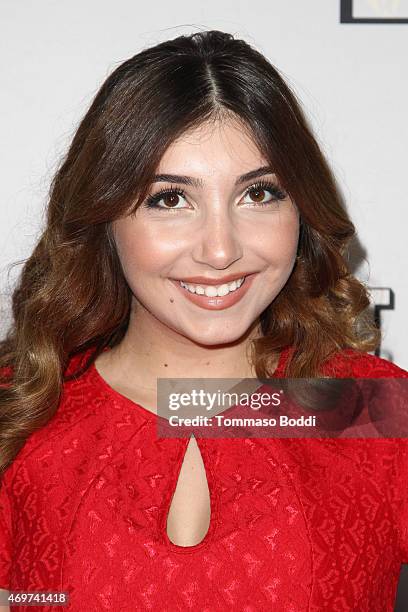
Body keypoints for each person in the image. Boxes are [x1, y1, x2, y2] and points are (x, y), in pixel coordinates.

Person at [0, 29, 407, 611]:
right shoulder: (20, 415)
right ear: (103, 218)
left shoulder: (377, 411)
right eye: (170, 199)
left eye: (259, 194)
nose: (221, 250)